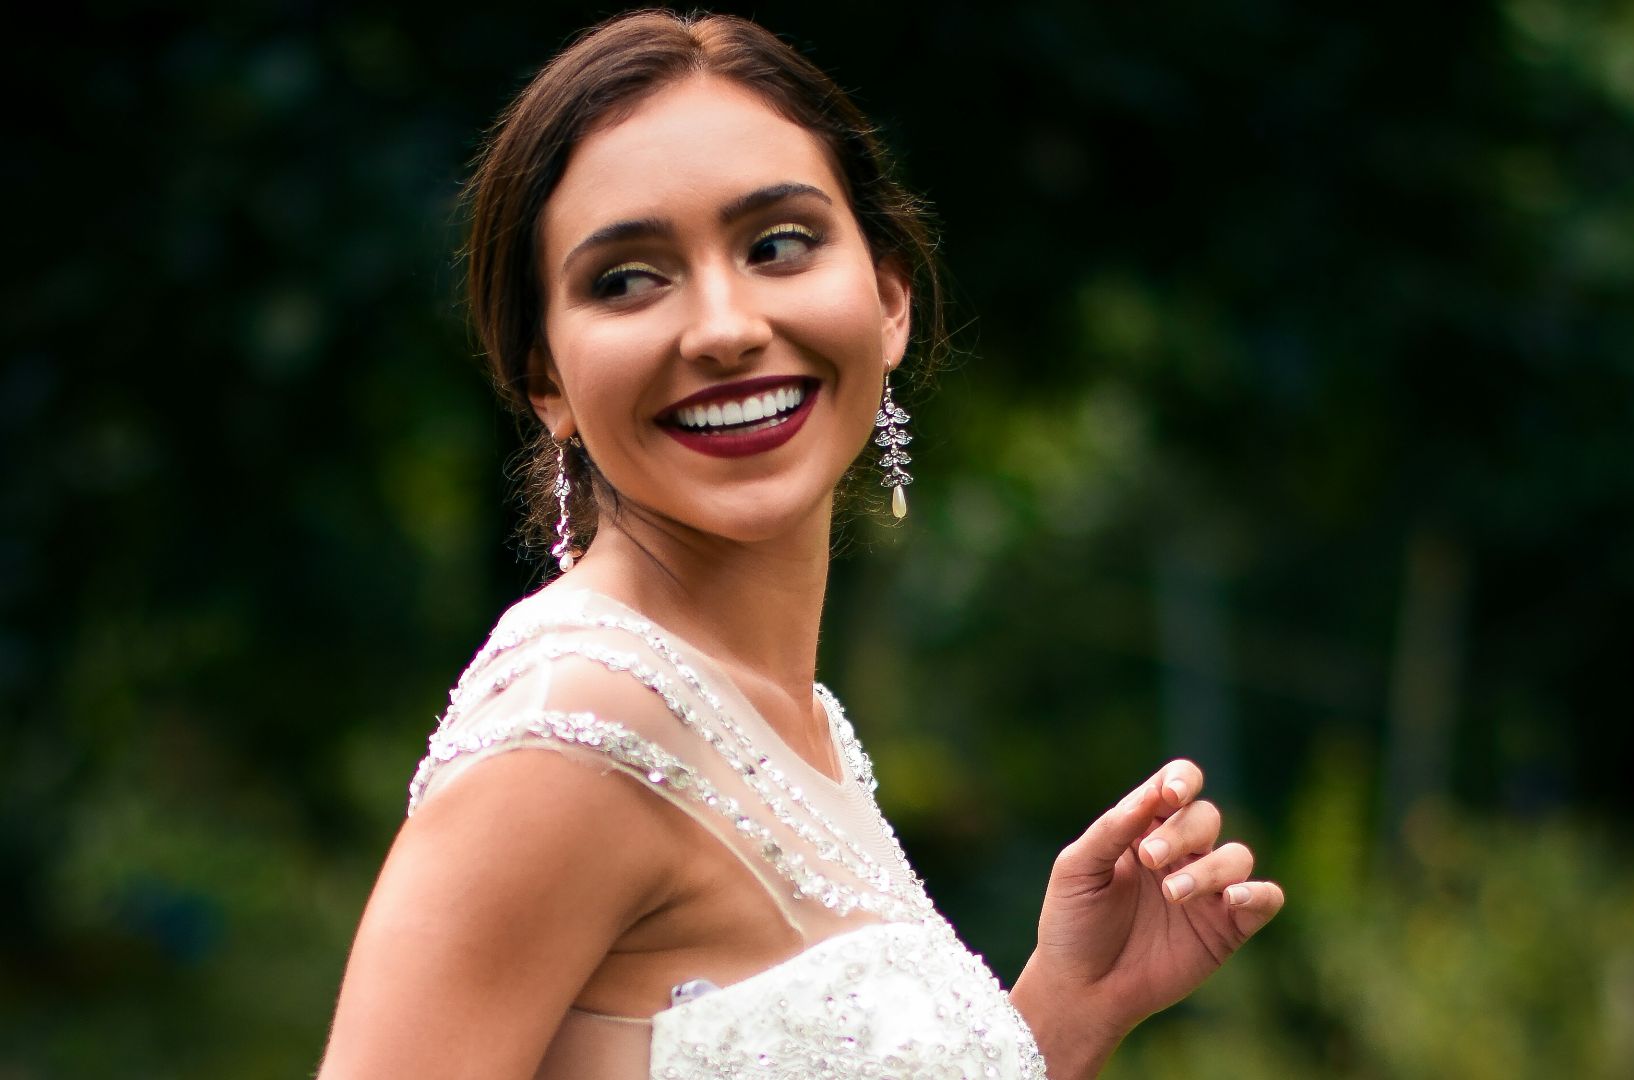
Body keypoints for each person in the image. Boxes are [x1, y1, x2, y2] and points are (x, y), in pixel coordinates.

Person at [320, 11, 1283, 1078]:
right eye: (628, 278)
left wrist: (1060, 1014)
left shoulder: (793, 721)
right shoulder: (577, 734)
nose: (725, 327)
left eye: (778, 245)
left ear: (886, 300)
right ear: (545, 378)